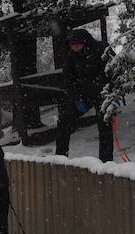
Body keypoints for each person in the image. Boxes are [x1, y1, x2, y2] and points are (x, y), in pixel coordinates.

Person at [56, 29, 115, 162]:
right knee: (64, 121)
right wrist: (76, 98)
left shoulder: (102, 49)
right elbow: (68, 80)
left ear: (85, 41)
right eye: (71, 45)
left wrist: (114, 94)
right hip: (84, 95)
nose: (74, 48)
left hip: (103, 93)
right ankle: (59, 159)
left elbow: (114, 70)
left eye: (77, 44)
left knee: (105, 127)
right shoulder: (71, 56)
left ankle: (105, 163)